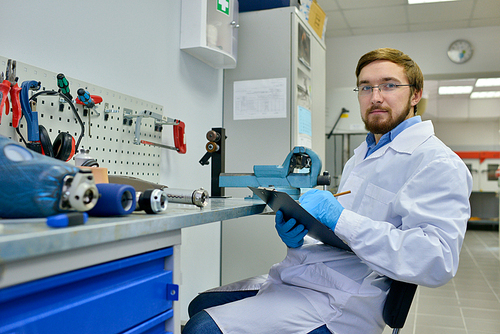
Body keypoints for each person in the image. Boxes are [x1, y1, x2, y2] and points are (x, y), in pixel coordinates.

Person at [183, 48, 472, 334]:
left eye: (390, 85)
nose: (376, 97)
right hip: (308, 275)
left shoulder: (437, 162)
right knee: (197, 305)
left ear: (416, 94)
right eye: (365, 87)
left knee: (201, 328)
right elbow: (345, 237)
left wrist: (339, 218)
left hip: (345, 299)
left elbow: (436, 261)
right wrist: (302, 235)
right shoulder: (360, 157)